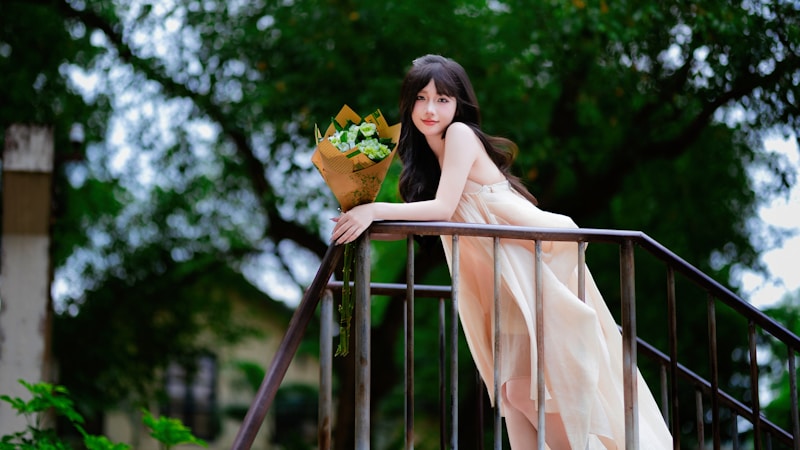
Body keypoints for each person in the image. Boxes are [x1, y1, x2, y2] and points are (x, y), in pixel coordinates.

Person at [331, 54, 673, 449]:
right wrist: (356, 221)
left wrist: (373, 210)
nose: (430, 109)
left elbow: (442, 210)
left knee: (524, 390)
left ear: (459, 104)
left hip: (523, 268)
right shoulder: (428, 157)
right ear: (407, 102)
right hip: (497, 277)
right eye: (421, 98)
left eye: (443, 99)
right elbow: (424, 224)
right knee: (513, 394)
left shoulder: (459, 135)